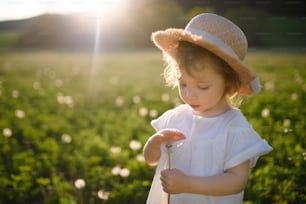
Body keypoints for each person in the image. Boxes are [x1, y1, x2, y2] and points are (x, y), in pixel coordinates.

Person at [143, 13, 272, 204]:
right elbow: (151, 159)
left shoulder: (233, 127)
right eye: (183, 83)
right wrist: (153, 144)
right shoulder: (175, 117)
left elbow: (237, 181)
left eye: (202, 87)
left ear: (228, 83)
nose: (189, 95)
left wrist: (187, 184)